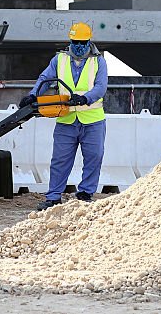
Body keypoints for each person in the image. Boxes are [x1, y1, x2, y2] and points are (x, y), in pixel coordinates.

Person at [22, 22, 108, 211]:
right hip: (67, 120)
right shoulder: (59, 60)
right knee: (60, 160)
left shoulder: (98, 61)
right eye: (74, 42)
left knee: (94, 156)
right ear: (70, 41)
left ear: (89, 42)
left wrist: (85, 98)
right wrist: (33, 95)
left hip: (92, 120)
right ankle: (53, 197)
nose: (78, 46)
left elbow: (100, 87)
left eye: (82, 42)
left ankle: (85, 193)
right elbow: (45, 78)